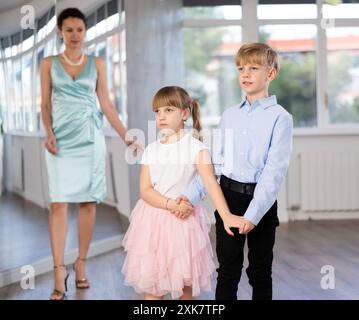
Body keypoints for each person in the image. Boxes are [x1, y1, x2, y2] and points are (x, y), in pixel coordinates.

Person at [175, 43, 293, 300]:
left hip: (260, 204)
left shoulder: (280, 118)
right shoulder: (229, 116)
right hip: (227, 199)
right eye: (241, 68)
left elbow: (274, 172)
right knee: (227, 271)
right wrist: (190, 195)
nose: (245, 74)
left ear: (270, 74)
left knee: (260, 271)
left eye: (253, 68)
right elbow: (215, 165)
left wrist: (252, 215)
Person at [40, 8, 141, 300]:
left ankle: (80, 263)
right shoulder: (48, 64)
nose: (74, 35)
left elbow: (107, 105)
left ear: (85, 32)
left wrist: (126, 136)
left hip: (89, 140)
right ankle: (59, 270)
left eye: (79, 30)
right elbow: (44, 105)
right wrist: (48, 133)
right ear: (60, 32)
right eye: (69, 30)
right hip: (59, 141)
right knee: (58, 204)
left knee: (87, 202)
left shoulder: (97, 63)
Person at [121, 86, 243, 300]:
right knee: (154, 287)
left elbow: (211, 184)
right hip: (153, 223)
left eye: (168, 110)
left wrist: (226, 216)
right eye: (157, 111)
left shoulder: (197, 148)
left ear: (184, 114)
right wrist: (170, 204)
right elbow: (145, 191)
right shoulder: (151, 149)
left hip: (184, 225)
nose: (161, 116)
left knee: (185, 288)